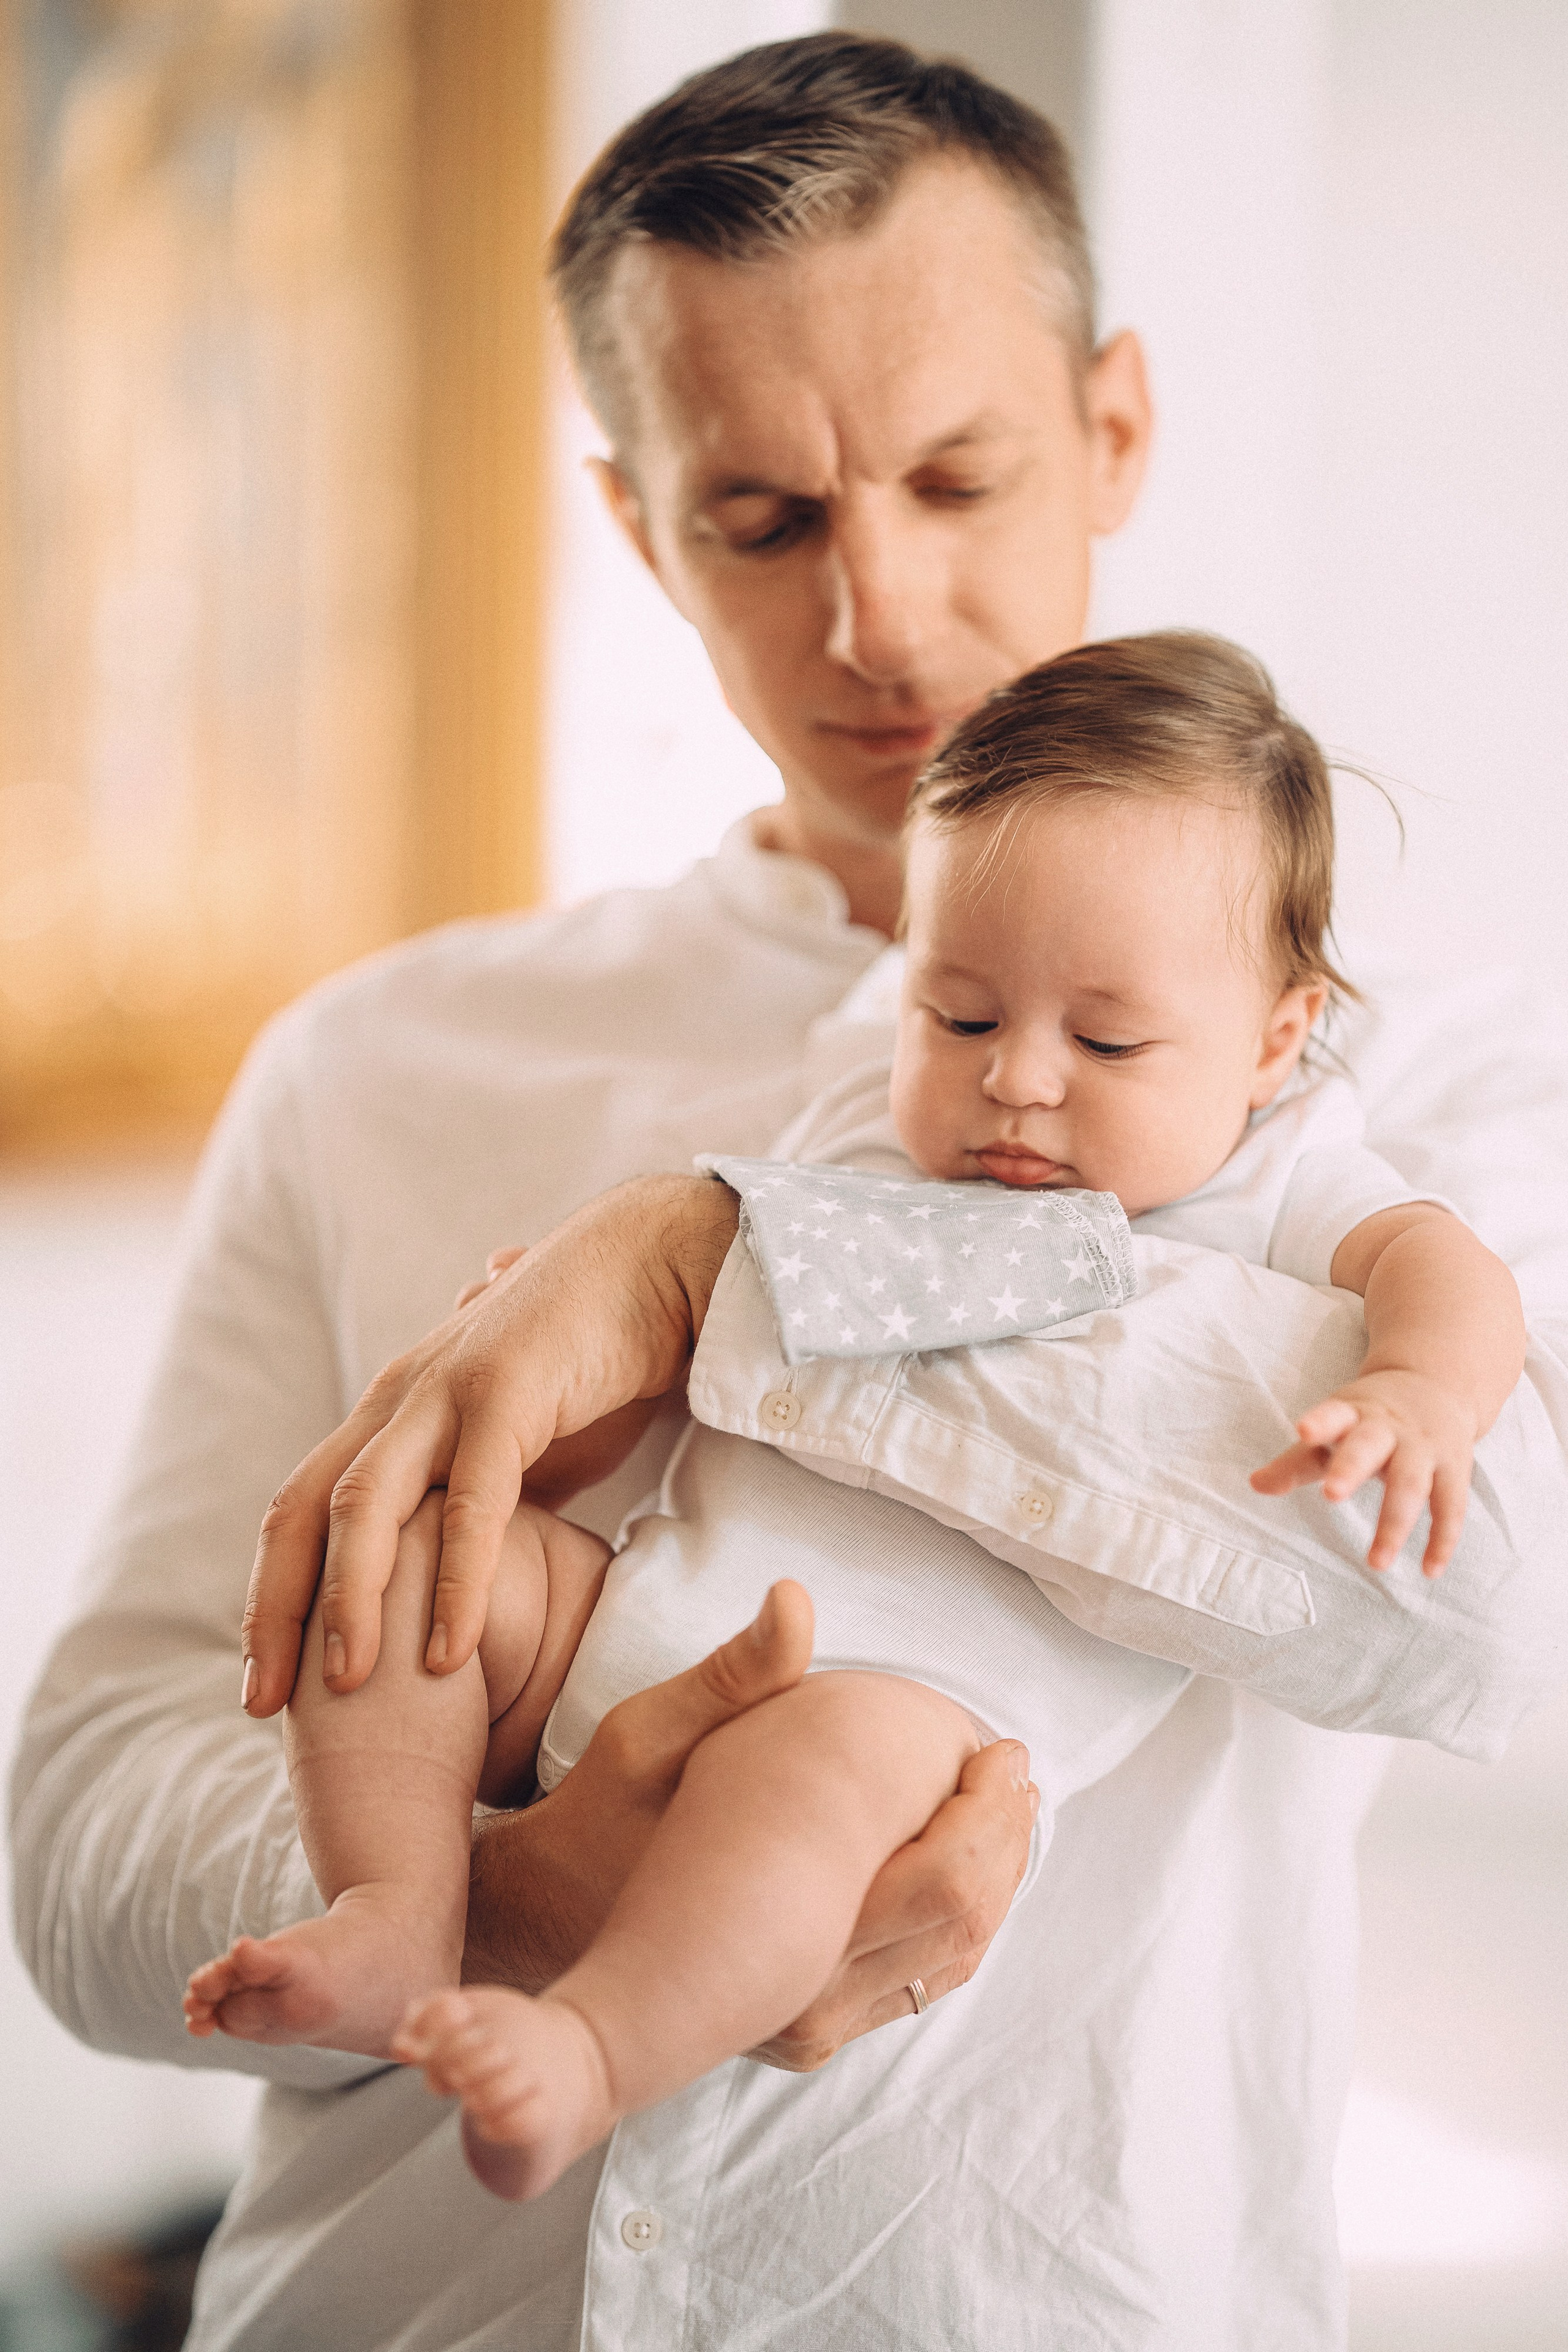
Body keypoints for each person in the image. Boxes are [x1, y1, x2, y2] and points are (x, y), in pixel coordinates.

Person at [11, 35, 1567, 2351]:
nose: (877, 615)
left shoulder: (1418, 1082)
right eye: (763, 518)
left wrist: (723, 1260)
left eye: (958, 476)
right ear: (636, 519)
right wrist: (498, 1901)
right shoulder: (380, 1064)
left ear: (1117, 426)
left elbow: (1486, 1624)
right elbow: (79, 1837)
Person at [181, 631, 1539, 2221]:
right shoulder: (858, 1126)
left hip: (900, 1699)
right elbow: (681, 1362)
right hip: (637, 1607)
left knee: (811, 1779)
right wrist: (551, 1430)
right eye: (957, 1015)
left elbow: (1451, 1276)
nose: (1016, 1081)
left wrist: (1420, 1389)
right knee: (426, 1559)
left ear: (1273, 1036)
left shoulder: (1291, 1168)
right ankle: (399, 1908)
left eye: (1104, 1042)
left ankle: (592, 2053)